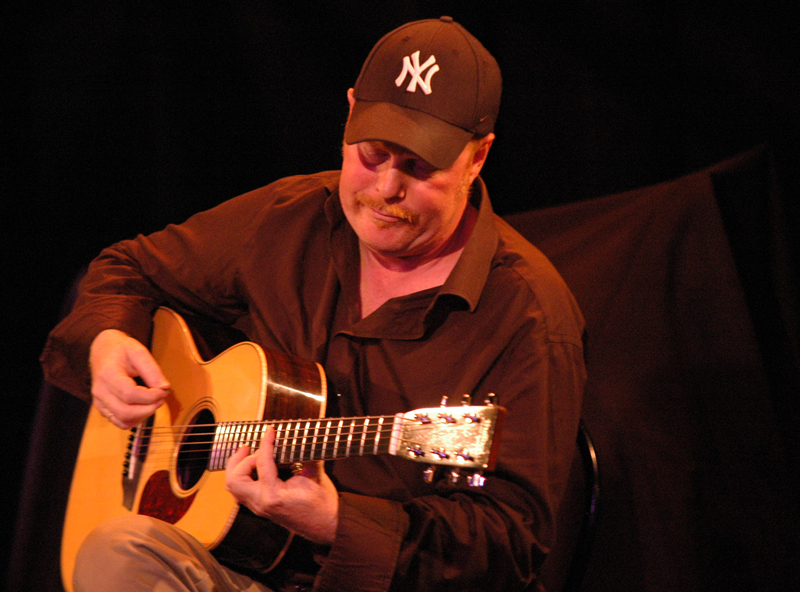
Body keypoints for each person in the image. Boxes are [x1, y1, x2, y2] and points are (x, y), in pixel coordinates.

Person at [42, 16, 586, 592]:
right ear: (349, 113)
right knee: (118, 551)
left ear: (477, 158)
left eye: (419, 168)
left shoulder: (529, 317)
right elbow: (125, 270)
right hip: (245, 568)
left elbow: (510, 546)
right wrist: (107, 342)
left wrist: (337, 523)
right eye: (373, 154)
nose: (385, 190)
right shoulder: (291, 217)